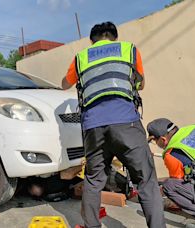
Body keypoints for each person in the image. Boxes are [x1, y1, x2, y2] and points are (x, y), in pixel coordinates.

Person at [61, 21, 166, 228]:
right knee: (146, 181)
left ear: (92, 40)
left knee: (93, 181)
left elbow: (65, 83)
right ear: (114, 37)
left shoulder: (81, 58)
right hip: (126, 122)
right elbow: (140, 84)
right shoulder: (128, 50)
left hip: (93, 127)